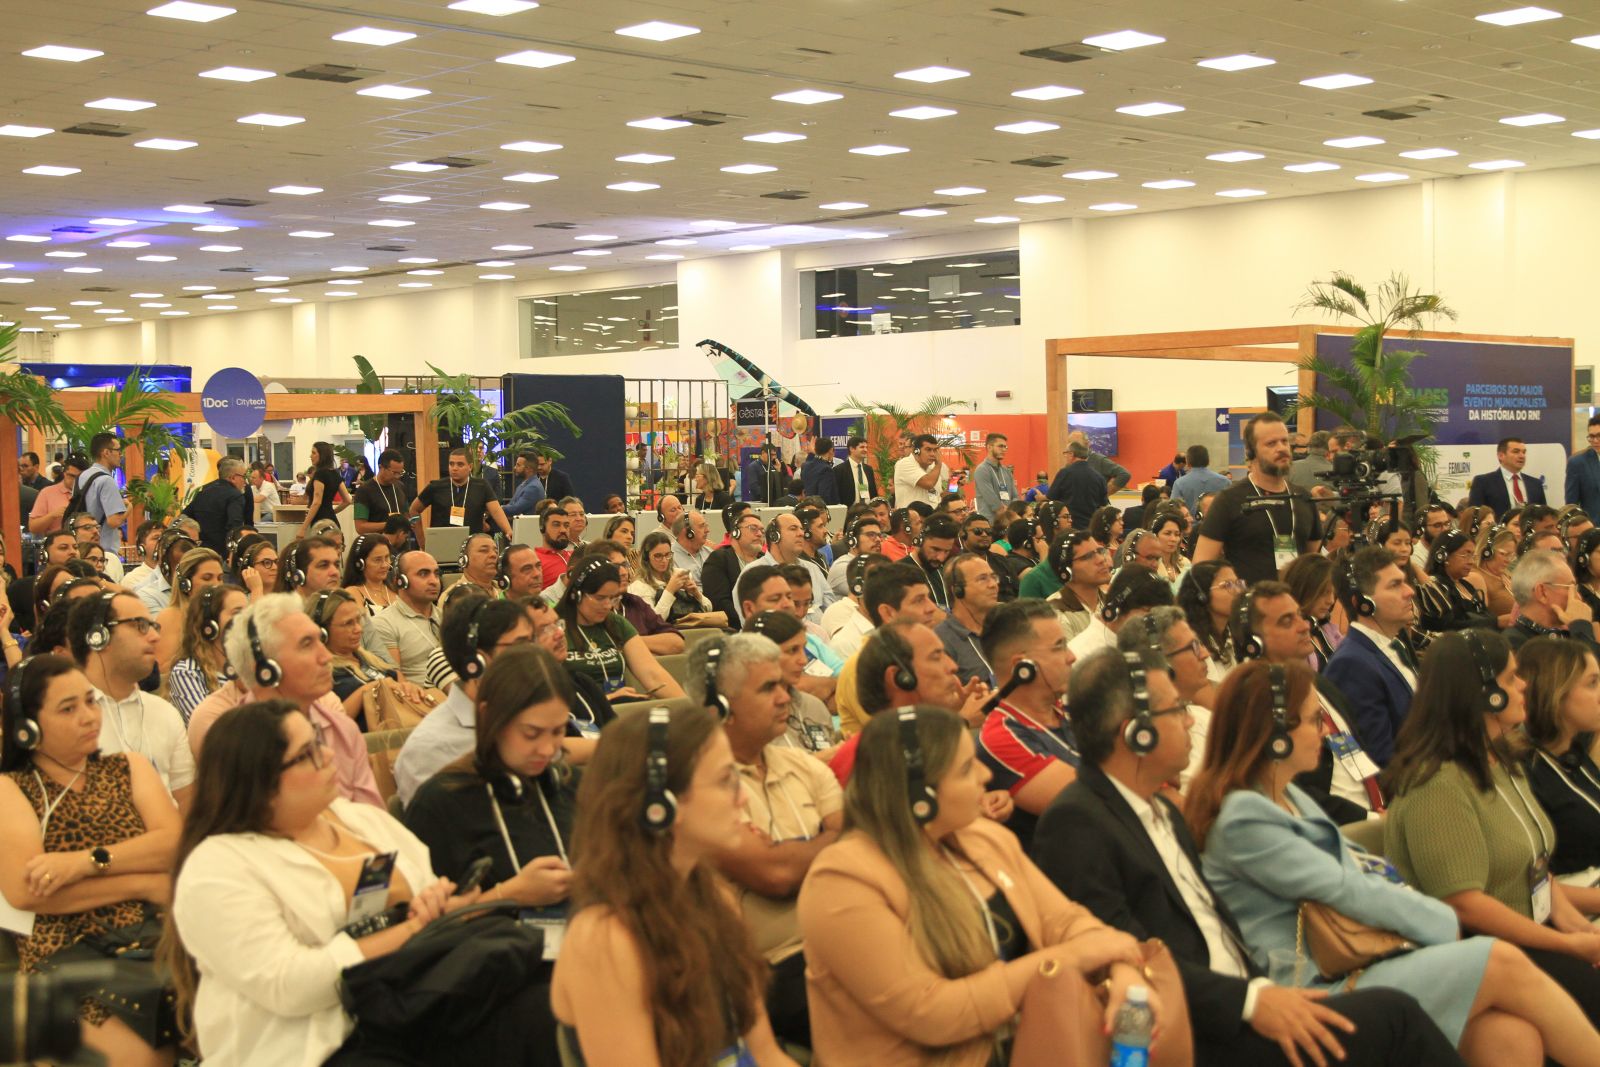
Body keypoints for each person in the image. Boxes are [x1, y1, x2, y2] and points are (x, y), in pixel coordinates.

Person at [1038, 649, 1469, 1067]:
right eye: (1176, 710)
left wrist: (1260, 991)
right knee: (1396, 1016)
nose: (1190, 720)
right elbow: (1123, 957)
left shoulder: (1162, 811)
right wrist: (1252, 1000)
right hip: (1198, 1031)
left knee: (1487, 1025)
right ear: (1137, 733)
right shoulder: (1077, 823)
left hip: (1245, 997)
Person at [1199, 657, 1600, 1066]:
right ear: (1275, 737)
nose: (1325, 731)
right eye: (1314, 720)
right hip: (1312, 986)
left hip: (1359, 960)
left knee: (1508, 1035)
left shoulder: (1289, 798)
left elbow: (1365, 874)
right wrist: (1445, 925)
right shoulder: (1244, 818)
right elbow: (1348, 889)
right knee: (1501, 959)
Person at [167, 699, 551, 1064]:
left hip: (418, 1000)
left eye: (319, 740)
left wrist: (441, 907)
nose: (328, 755)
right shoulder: (218, 866)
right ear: (258, 782)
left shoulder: (360, 821)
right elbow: (289, 985)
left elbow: (427, 904)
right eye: (307, 753)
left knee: (544, 1008)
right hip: (317, 1043)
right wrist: (413, 928)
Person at [798, 704, 1169, 1066]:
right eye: (965, 768)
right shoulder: (841, 882)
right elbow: (930, 1012)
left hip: (1035, 1044)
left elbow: (1065, 921)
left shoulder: (983, 838)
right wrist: (1067, 958)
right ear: (919, 798)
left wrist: (1120, 970)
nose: (985, 774)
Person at [552, 706, 797, 1067]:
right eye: (725, 780)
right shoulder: (605, 940)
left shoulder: (715, 899)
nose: (743, 797)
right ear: (661, 805)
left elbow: (766, 1054)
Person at [1384, 630, 1600, 1027]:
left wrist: (1581, 930)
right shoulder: (1437, 782)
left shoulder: (1501, 759)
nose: (1524, 686)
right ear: (1486, 695)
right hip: (1487, 952)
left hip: (1533, 935)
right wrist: (1567, 943)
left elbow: (1536, 867)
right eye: (1511, 678)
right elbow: (1465, 903)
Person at [0, 654, 181, 1066]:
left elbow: (174, 843)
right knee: (143, 1057)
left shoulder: (128, 767)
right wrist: (143, 881)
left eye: (89, 701)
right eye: (68, 709)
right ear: (28, 728)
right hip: (68, 952)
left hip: (155, 934)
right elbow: (28, 892)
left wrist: (83, 863)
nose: (88, 717)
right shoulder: (12, 788)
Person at [403, 641, 576, 926]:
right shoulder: (440, 803)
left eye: (558, 732)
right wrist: (509, 895)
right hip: (487, 947)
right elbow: (413, 927)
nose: (547, 750)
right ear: (488, 716)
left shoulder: (571, 787)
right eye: (531, 733)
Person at [188, 594, 382, 805]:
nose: (326, 657)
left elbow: (373, 817)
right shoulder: (232, 745)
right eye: (306, 644)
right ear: (266, 670)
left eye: (320, 640)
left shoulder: (343, 730)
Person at [393, 593, 537, 804]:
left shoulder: (529, 714)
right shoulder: (431, 749)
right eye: (521, 646)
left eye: (533, 642)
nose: (536, 656)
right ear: (476, 662)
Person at [70, 589, 197, 811]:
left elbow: (186, 802)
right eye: (140, 626)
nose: (155, 636)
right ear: (99, 636)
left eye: (153, 626)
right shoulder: (64, 717)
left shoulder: (164, 713)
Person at [977, 599, 1082, 848]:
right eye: (1059, 647)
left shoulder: (1069, 711)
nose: (1072, 657)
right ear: (1022, 668)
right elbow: (1094, 804)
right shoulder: (1001, 736)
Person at [1323, 545, 1420, 766]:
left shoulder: (1394, 645)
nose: (1410, 591)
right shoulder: (1352, 664)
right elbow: (1378, 758)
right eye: (1395, 585)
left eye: (1404, 582)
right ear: (1364, 604)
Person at [1194, 417, 1321, 585]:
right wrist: (1234, 591)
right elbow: (1201, 567)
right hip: (1248, 599)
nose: (1281, 448)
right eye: (1271, 443)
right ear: (1250, 452)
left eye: (1284, 441)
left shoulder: (1303, 498)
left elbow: (1314, 563)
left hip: (1295, 599)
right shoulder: (1229, 500)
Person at [1520, 637, 1600, 878]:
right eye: (1592, 683)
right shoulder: (1529, 772)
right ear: (1555, 692)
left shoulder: (1572, 753)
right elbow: (1537, 884)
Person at [557, 557, 685, 701]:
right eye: (600, 598)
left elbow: (652, 675)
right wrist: (607, 698)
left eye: (613, 598)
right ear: (576, 594)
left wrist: (689, 706)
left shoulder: (616, 623)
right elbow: (548, 696)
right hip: (578, 711)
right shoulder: (554, 628)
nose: (608, 605)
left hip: (621, 708)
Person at [313, 588, 430, 732]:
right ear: (322, 632)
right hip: (369, 740)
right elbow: (330, 725)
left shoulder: (368, 658)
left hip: (401, 729)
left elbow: (399, 679)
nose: (358, 629)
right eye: (348, 623)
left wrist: (409, 688)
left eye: (358, 620)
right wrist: (371, 688)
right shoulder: (322, 671)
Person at [744, 611, 836, 755]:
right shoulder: (744, 718)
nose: (803, 660)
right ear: (761, 655)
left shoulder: (814, 707)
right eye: (793, 650)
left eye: (803, 649)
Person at [579, 540, 685, 656]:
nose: (624, 572)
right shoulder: (589, 609)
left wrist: (628, 641)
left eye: (625, 565)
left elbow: (677, 643)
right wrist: (651, 645)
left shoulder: (635, 603)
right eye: (616, 567)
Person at [167, 584, 247, 724]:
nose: (247, 620)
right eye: (237, 613)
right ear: (210, 624)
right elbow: (210, 727)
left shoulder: (250, 667)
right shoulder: (186, 672)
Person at [365, 550, 442, 685]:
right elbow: (395, 682)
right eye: (423, 574)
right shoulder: (384, 623)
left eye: (436, 574)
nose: (434, 581)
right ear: (401, 581)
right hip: (420, 695)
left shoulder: (447, 616)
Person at [1067, 565, 1175, 661]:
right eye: (1147, 613)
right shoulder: (1081, 655)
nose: (1153, 623)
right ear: (1116, 608)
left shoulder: (1147, 649)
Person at [409, 447, 513, 542]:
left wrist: (508, 530)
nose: (454, 468)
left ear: (470, 466)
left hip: (472, 544)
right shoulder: (436, 487)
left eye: (460, 464)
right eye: (451, 464)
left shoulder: (481, 486)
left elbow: (496, 511)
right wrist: (422, 540)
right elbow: (414, 509)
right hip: (441, 542)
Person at [1504, 548, 1599, 652]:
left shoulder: (1558, 636)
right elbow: (1588, 662)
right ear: (1542, 592)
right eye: (1570, 588)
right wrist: (1581, 627)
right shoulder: (1516, 646)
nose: (1578, 597)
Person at [153, 547, 224, 672]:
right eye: (207, 578)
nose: (216, 584)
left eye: (219, 578)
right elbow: (163, 669)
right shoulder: (171, 616)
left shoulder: (223, 614)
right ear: (185, 584)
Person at [936, 553, 1001, 687]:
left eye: (994, 577)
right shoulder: (941, 640)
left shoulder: (1004, 625)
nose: (993, 584)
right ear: (958, 590)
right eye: (982, 579)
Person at [1177, 560, 1241, 685]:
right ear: (1202, 595)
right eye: (1227, 585)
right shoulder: (1190, 643)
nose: (1238, 591)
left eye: (1238, 584)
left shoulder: (1233, 636)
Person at [1418, 530, 1494, 634]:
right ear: (1443, 555)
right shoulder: (1436, 587)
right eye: (1465, 555)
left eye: (1473, 556)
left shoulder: (1466, 585)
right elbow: (1448, 626)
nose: (1471, 562)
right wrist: (1496, 622)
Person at [1468, 437, 1547, 520]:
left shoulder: (1535, 484)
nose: (1522, 456)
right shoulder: (1483, 482)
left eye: (1524, 452)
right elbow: (1474, 516)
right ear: (1501, 455)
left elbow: (1543, 515)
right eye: (1516, 452)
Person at [81, 432, 129, 561]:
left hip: (84, 550)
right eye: (118, 450)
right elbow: (114, 521)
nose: (121, 454)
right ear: (106, 453)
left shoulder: (83, 476)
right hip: (104, 553)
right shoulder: (106, 480)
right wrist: (129, 507)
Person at [350, 448, 415, 540]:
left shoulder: (400, 486)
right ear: (381, 467)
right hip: (377, 543)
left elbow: (406, 514)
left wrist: (409, 522)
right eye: (394, 472)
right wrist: (390, 525)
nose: (397, 476)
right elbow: (360, 527)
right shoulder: (364, 490)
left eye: (400, 472)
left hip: (402, 543)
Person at [1048, 439, 1109, 530]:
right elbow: (1103, 505)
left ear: (1071, 454)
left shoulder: (1064, 473)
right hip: (1091, 528)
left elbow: (1052, 498)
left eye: (1066, 453)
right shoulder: (1099, 477)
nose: (1065, 457)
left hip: (1069, 527)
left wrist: (1040, 498)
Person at [439, 532, 505, 615]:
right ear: (464, 560)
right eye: (484, 550)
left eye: (496, 551)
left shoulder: (506, 590)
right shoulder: (453, 598)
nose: (493, 555)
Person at [339, 533, 396, 617]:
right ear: (360, 563)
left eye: (387, 557)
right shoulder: (352, 593)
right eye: (377, 560)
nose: (384, 565)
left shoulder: (396, 589)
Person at [28, 453, 86, 536]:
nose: (76, 480)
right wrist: (52, 515)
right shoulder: (47, 493)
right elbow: (33, 528)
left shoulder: (90, 492)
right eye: (71, 476)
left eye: (81, 477)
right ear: (64, 473)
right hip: (57, 541)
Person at [1475, 523, 1519, 627]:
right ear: (1487, 552)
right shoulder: (1477, 576)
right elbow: (1481, 620)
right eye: (1504, 554)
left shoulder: (1507, 575)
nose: (1508, 560)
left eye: (1512, 555)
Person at [1170, 444, 1232, 518]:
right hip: (1219, 523)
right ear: (1208, 461)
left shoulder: (1179, 483)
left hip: (1190, 524)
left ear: (1187, 462)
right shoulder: (1225, 481)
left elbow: (1174, 510)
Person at [892, 433, 950, 509]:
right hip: (912, 515)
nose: (933, 454)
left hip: (933, 514)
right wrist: (938, 464)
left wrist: (954, 484)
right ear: (916, 451)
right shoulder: (904, 464)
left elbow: (939, 495)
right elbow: (928, 483)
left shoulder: (934, 467)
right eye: (928, 450)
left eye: (935, 450)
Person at [970, 432, 1017, 520]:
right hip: (990, 521)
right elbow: (991, 500)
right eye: (1000, 446)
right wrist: (1006, 512)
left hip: (1008, 519)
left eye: (1005, 447)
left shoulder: (1006, 471)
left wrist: (1013, 510)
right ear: (989, 447)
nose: (1004, 449)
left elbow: (1015, 496)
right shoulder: (982, 470)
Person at [1567, 416, 1600, 524]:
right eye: (1591, 436)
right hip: (1594, 529)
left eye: (1599, 436)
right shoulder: (1577, 463)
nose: (1595, 441)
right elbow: (1571, 506)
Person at [534, 505, 575, 589]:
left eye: (566, 525)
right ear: (542, 528)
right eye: (556, 525)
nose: (563, 530)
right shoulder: (534, 560)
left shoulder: (575, 555)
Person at [833, 435, 879, 505]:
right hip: (849, 509)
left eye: (866, 447)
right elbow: (836, 494)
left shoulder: (868, 469)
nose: (865, 450)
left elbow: (873, 492)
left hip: (868, 509)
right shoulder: (839, 470)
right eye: (862, 447)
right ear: (851, 449)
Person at [671, 511, 713, 584]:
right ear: (688, 532)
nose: (707, 530)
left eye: (706, 526)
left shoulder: (709, 553)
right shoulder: (670, 558)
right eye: (702, 526)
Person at [504, 449, 549, 517]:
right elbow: (511, 505)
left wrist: (496, 508)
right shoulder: (524, 485)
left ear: (528, 469)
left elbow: (515, 509)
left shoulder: (533, 488)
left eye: (518, 465)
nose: (515, 467)